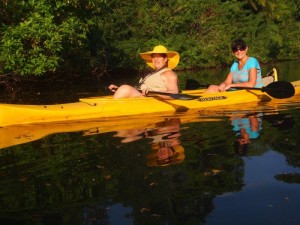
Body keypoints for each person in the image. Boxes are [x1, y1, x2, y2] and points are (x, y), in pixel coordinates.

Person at [108, 45, 180, 99]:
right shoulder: (152, 74)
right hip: (141, 97)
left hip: (151, 100)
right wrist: (118, 89)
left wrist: (153, 93)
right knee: (123, 88)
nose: (156, 59)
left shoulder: (169, 74)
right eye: (154, 57)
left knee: (125, 88)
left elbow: (174, 93)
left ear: (165, 59)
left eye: (159, 57)